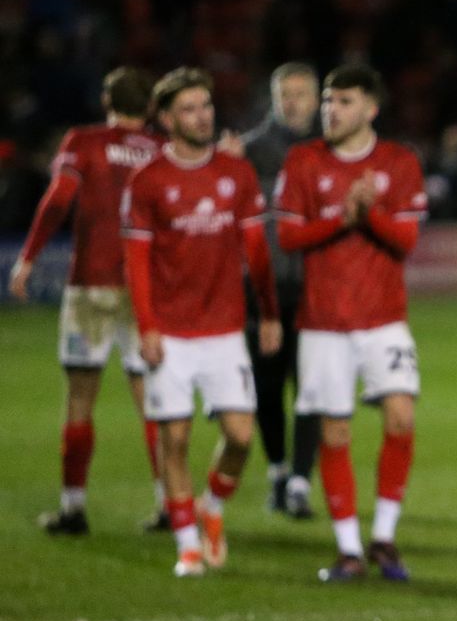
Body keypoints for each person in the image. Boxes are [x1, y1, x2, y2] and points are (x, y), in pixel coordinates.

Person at [122, 67, 282, 576]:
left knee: (240, 437)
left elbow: (256, 250)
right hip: (168, 332)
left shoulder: (236, 174)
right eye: (189, 109)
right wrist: (146, 327)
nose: (202, 116)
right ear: (167, 120)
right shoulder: (148, 181)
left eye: (206, 106)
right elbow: (137, 263)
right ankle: (187, 543)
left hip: (224, 330)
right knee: (175, 440)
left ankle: (212, 509)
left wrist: (271, 312)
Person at [274, 64, 427, 582]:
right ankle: (348, 550)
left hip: (384, 319)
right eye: (328, 102)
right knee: (334, 432)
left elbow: (406, 242)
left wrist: (371, 213)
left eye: (342, 102)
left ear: (370, 108)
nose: (330, 111)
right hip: (323, 321)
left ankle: (383, 537)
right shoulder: (302, 161)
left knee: (401, 417)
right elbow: (290, 237)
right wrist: (342, 217)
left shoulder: (399, 163)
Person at [8, 67, 167, 535]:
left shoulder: (84, 141)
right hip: (145, 290)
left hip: (91, 284)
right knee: (154, 402)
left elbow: (59, 198)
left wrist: (29, 257)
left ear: (106, 100)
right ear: (152, 108)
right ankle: (168, 504)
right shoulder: (162, 151)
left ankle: (74, 508)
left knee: (80, 398)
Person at [226, 62, 322, 518]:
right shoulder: (247, 152)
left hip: (314, 290)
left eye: (302, 94)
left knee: (313, 387)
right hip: (258, 289)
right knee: (267, 389)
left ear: (317, 98)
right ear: (274, 97)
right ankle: (279, 472)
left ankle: (301, 480)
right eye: (287, 94)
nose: (294, 102)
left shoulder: (332, 151)